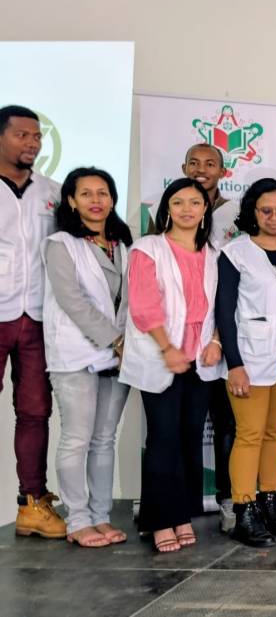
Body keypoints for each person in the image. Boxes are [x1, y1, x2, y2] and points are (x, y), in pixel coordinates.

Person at [119, 178, 226, 553]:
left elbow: (221, 307)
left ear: (205, 209)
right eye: (178, 202)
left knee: (189, 438)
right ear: (167, 208)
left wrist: (215, 342)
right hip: (161, 356)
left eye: (194, 202)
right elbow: (143, 307)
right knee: (163, 439)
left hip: (201, 360)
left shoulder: (213, 253)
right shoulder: (148, 249)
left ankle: (181, 515)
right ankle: (159, 521)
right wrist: (167, 348)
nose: (186, 209)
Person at [148, 143, 241, 529]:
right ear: (184, 167)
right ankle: (173, 512)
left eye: (210, 163)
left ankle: (228, 499)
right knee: (172, 432)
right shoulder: (161, 221)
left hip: (221, 335)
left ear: (223, 171)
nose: (202, 169)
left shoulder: (237, 212)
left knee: (227, 423)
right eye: (195, 163)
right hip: (177, 345)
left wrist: (219, 339)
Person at [43, 167, 133, 547]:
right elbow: (73, 301)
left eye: (103, 193)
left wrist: (124, 345)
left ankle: (100, 516)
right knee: (77, 439)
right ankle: (77, 520)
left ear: (112, 199)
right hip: (77, 354)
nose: (96, 200)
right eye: (86, 193)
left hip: (118, 356)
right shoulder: (60, 244)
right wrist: (116, 340)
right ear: (71, 200)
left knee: (104, 439)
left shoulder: (123, 243)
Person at [215, 178, 276, 548]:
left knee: (274, 434)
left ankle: (269, 501)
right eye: (266, 210)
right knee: (249, 434)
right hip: (249, 360)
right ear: (253, 211)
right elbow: (224, 312)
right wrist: (234, 364)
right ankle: (244, 509)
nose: (274, 217)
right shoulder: (236, 253)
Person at [0, 105, 66, 538]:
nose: (33, 143)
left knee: (35, 411)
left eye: (37, 136)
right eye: (22, 135)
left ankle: (32, 502)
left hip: (38, 316)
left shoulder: (53, 192)